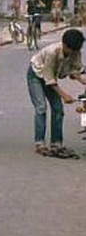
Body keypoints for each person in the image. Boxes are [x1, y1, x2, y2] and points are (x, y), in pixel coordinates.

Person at [28, 27, 86, 158]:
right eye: (70, 49)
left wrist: (81, 80)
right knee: (41, 107)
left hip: (51, 77)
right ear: (64, 44)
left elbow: (74, 69)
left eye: (75, 50)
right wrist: (64, 95)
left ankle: (56, 142)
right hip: (36, 75)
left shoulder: (75, 51)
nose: (72, 53)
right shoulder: (52, 52)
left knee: (58, 109)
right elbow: (49, 79)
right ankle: (40, 143)